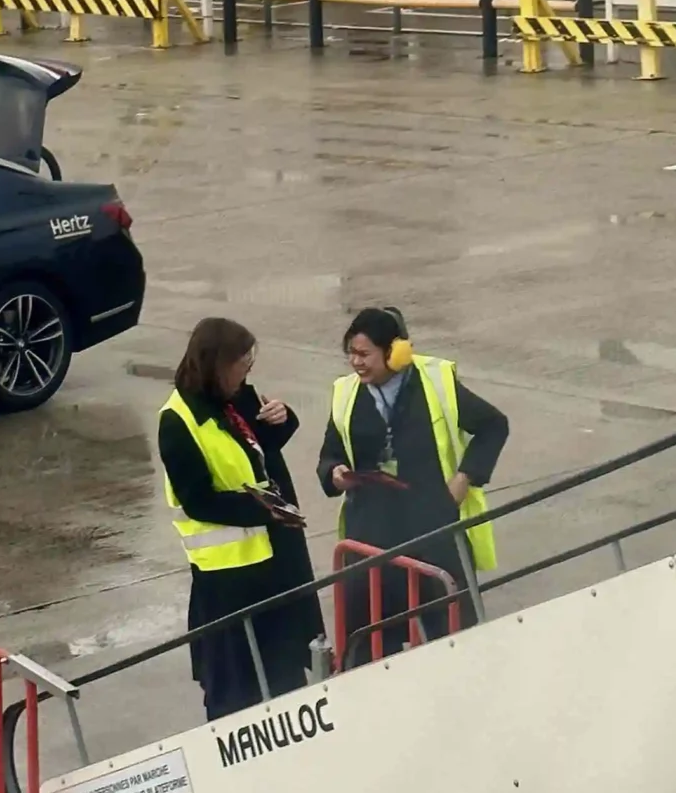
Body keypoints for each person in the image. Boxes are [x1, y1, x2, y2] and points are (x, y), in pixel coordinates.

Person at [317, 305, 509, 658]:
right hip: (371, 538)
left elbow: (494, 426)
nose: (356, 363)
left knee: (452, 642)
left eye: (364, 354)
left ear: (395, 351)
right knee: (368, 647)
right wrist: (334, 473)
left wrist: (464, 479)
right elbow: (329, 453)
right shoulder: (346, 394)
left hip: (430, 530)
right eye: (351, 355)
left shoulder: (436, 383)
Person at [158, 316, 324, 722]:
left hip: (275, 562)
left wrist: (284, 418)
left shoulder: (236, 397)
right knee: (236, 693)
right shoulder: (178, 421)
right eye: (242, 365)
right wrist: (264, 509)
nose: (248, 374)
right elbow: (198, 501)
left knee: (286, 676)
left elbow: (261, 452)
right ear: (218, 363)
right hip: (229, 582)